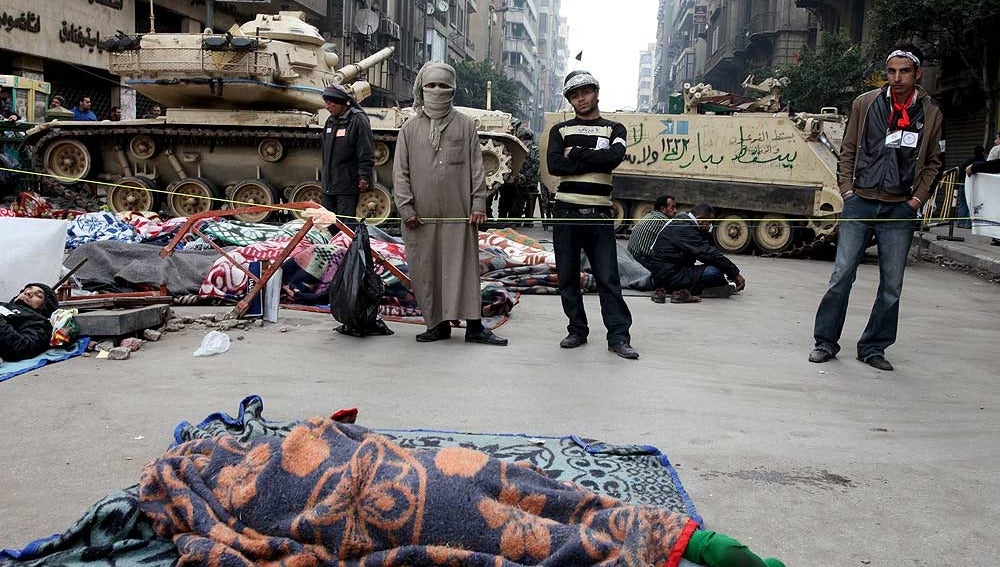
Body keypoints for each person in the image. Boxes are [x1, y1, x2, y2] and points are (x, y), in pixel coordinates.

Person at [809, 44, 944, 371]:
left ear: (917, 73)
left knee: (892, 285)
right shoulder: (865, 104)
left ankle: (873, 347)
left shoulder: (931, 113)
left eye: (905, 71)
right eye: (892, 71)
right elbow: (849, 150)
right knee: (841, 275)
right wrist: (847, 191)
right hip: (861, 203)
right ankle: (825, 341)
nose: (897, 78)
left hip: (899, 209)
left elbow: (935, 161)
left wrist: (916, 200)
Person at [392, 61, 507, 346]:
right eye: (431, 85)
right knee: (426, 269)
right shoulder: (409, 129)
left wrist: (478, 204)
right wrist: (406, 208)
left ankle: (475, 326)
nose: (437, 91)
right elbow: (400, 172)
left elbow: (477, 168)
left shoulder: (466, 125)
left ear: (453, 89)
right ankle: (437, 324)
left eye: (443, 86)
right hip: (419, 217)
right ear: (422, 88)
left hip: (460, 215)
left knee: (464, 269)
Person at [546, 70, 637, 359]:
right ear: (570, 100)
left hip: (598, 214)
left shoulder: (615, 129)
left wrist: (575, 154)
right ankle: (577, 330)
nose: (580, 98)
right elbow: (555, 167)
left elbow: (613, 159)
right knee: (568, 276)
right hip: (566, 212)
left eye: (585, 92)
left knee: (608, 276)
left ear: (596, 93)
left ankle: (619, 337)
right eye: (574, 95)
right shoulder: (559, 131)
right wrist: (590, 159)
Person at [642, 203, 745, 304]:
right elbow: (707, 253)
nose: (710, 226)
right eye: (709, 222)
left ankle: (689, 288)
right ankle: (686, 290)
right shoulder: (684, 227)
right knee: (714, 271)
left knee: (715, 266)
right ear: (700, 218)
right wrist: (735, 273)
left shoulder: (683, 222)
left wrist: (705, 233)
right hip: (669, 275)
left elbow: (705, 250)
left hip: (667, 272)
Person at [320, 83, 373, 232]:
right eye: (326, 103)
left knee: (345, 226)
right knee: (327, 224)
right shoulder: (330, 121)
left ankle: (345, 253)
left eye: (330, 103)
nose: (327, 106)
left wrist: (364, 176)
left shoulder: (357, 120)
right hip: (329, 185)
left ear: (341, 102)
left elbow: (366, 151)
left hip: (347, 185)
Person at [0, 283, 58, 362]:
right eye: (26, 290)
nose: (28, 293)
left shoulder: (40, 322)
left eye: (38, 295)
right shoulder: (3, 305)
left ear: (46, 307)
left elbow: (22, 348)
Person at [958, 145, 986, 228]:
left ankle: (961, 223)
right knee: (973, 204)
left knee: (963, 203)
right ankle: (968, 224)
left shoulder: (969, 161)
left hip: (964, 184)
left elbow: (961, 171)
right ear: (983, 153)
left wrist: (960, 181)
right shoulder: (984, 163)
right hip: (977, 187)